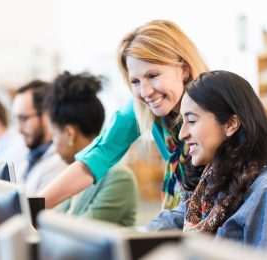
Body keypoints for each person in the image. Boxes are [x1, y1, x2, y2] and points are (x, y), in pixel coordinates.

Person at [41, 19, 208, 210]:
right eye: (135, 81)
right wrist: (34, 206)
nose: (145, 92)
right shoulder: (142, 107)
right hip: (186, 214)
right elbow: (98, 155)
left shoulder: (216, 104)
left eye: (153, 76)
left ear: (184, 70)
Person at [148, 70, 267, 250]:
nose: (183, 134)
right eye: (181, 122)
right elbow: (174, 218)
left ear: (230, 124)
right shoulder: (211, 178)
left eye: (191, 121)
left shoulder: (266, 189)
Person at [47, 71, 138, 226]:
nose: (53, 146)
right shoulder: (74, 177)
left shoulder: (119, 176)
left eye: (53, 136)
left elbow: (78, 234)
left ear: (70, 133)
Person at [12, 80, 68, 196]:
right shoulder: (31, 155)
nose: (19, 129)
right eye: (17, 119)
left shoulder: (59, 163)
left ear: (47, 115)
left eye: (24, 118)